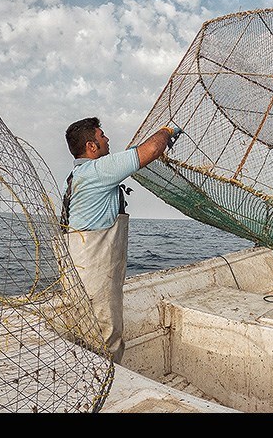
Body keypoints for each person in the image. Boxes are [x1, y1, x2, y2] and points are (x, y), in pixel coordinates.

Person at [60, 117, 181, 363]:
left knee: (85, 332)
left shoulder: (78, 175)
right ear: (91, 147)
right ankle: (106, 390)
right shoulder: (99, 170)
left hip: (77, 271)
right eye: (102, 136)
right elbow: (152, 149)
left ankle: (87, 380)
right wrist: (168, 131)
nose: (107, 140)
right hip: (95, 274)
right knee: (106, 338)